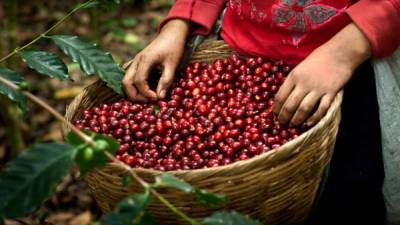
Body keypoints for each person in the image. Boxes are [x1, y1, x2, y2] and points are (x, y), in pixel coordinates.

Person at [122, 1, 400, 224]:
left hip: (349, 71)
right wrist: (178, 22)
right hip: (237, 56)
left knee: (347, 199)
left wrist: (343, 53)